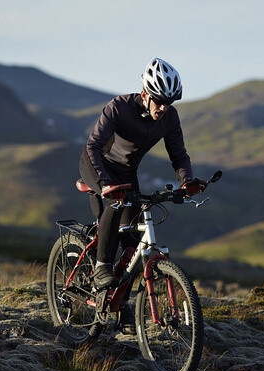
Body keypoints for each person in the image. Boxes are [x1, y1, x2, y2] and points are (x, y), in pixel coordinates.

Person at [79, 58, 204, 293]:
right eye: (160, 101)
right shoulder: (119, 107)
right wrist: (105, 182)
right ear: (145, 93)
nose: (164, 107)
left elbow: (179, 155)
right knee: (115, 204)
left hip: (126, 173)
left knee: (133, 245)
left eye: (169, 102)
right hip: (97, 164)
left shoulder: (169, 118)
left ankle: (120, 303)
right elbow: (92, 146)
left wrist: (186, 181)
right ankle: (101, 267)